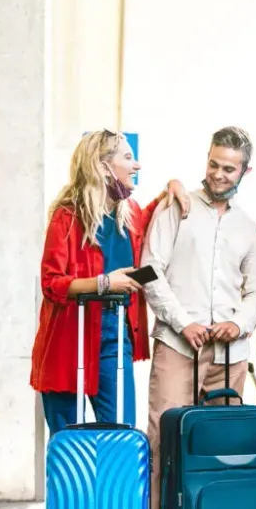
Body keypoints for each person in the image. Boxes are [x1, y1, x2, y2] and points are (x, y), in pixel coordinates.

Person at [141, 126, 256, 509]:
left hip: (229, 356)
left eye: (228, 167)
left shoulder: (249, 228)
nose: (217, 173)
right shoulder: (176, 209)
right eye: (213, 163)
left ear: (244, 171)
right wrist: (183, 321)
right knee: (162, 443)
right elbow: (148, 271)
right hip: (178, 346)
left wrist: (241, 324)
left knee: (221, 450)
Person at [31, 129, 189, 436]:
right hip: (70, 339)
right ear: (104, 167)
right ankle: (75, 487)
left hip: (115, 338)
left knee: (121, 433)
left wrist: (173, 185)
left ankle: (112, 486)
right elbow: (52, 283)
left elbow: (140, 271)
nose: (137, 165)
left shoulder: (128, 215)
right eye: (128, 158)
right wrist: (103, 283)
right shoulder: (67, 217)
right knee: (69, 441)